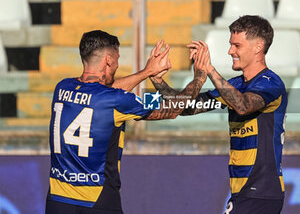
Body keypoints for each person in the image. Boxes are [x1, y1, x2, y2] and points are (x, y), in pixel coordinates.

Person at [45, 30, 207, 214]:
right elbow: (172, 108)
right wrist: (199, 77)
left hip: (57, 200)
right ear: (108, 59)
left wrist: (147, 72)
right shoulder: (118, 101)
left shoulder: (62, 88)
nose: (117, 64)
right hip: (97, 201)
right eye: (117, 58)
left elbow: (102, 93)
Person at [150, 15, 287, 214]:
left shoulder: (270, 82)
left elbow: (243, 105)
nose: (230, 51)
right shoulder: (236, 85)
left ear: (258, 47)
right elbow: (186, 108)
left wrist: (210, 70)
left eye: (236, 45)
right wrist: (157, 80)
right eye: (231, 45)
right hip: (244, 192)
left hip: (261, 190)